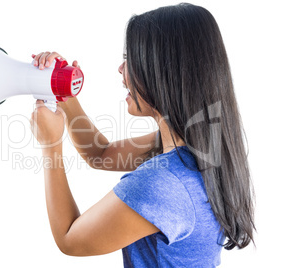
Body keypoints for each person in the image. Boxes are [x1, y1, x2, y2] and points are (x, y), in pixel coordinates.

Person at [29, 3, 255, 267]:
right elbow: (101, 155)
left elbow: (69, 238)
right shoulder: (197, 147)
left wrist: (50, 145)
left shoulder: (162, 184)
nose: (121, 69)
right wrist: (63, 93)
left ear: (163, 71)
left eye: (131, 57)